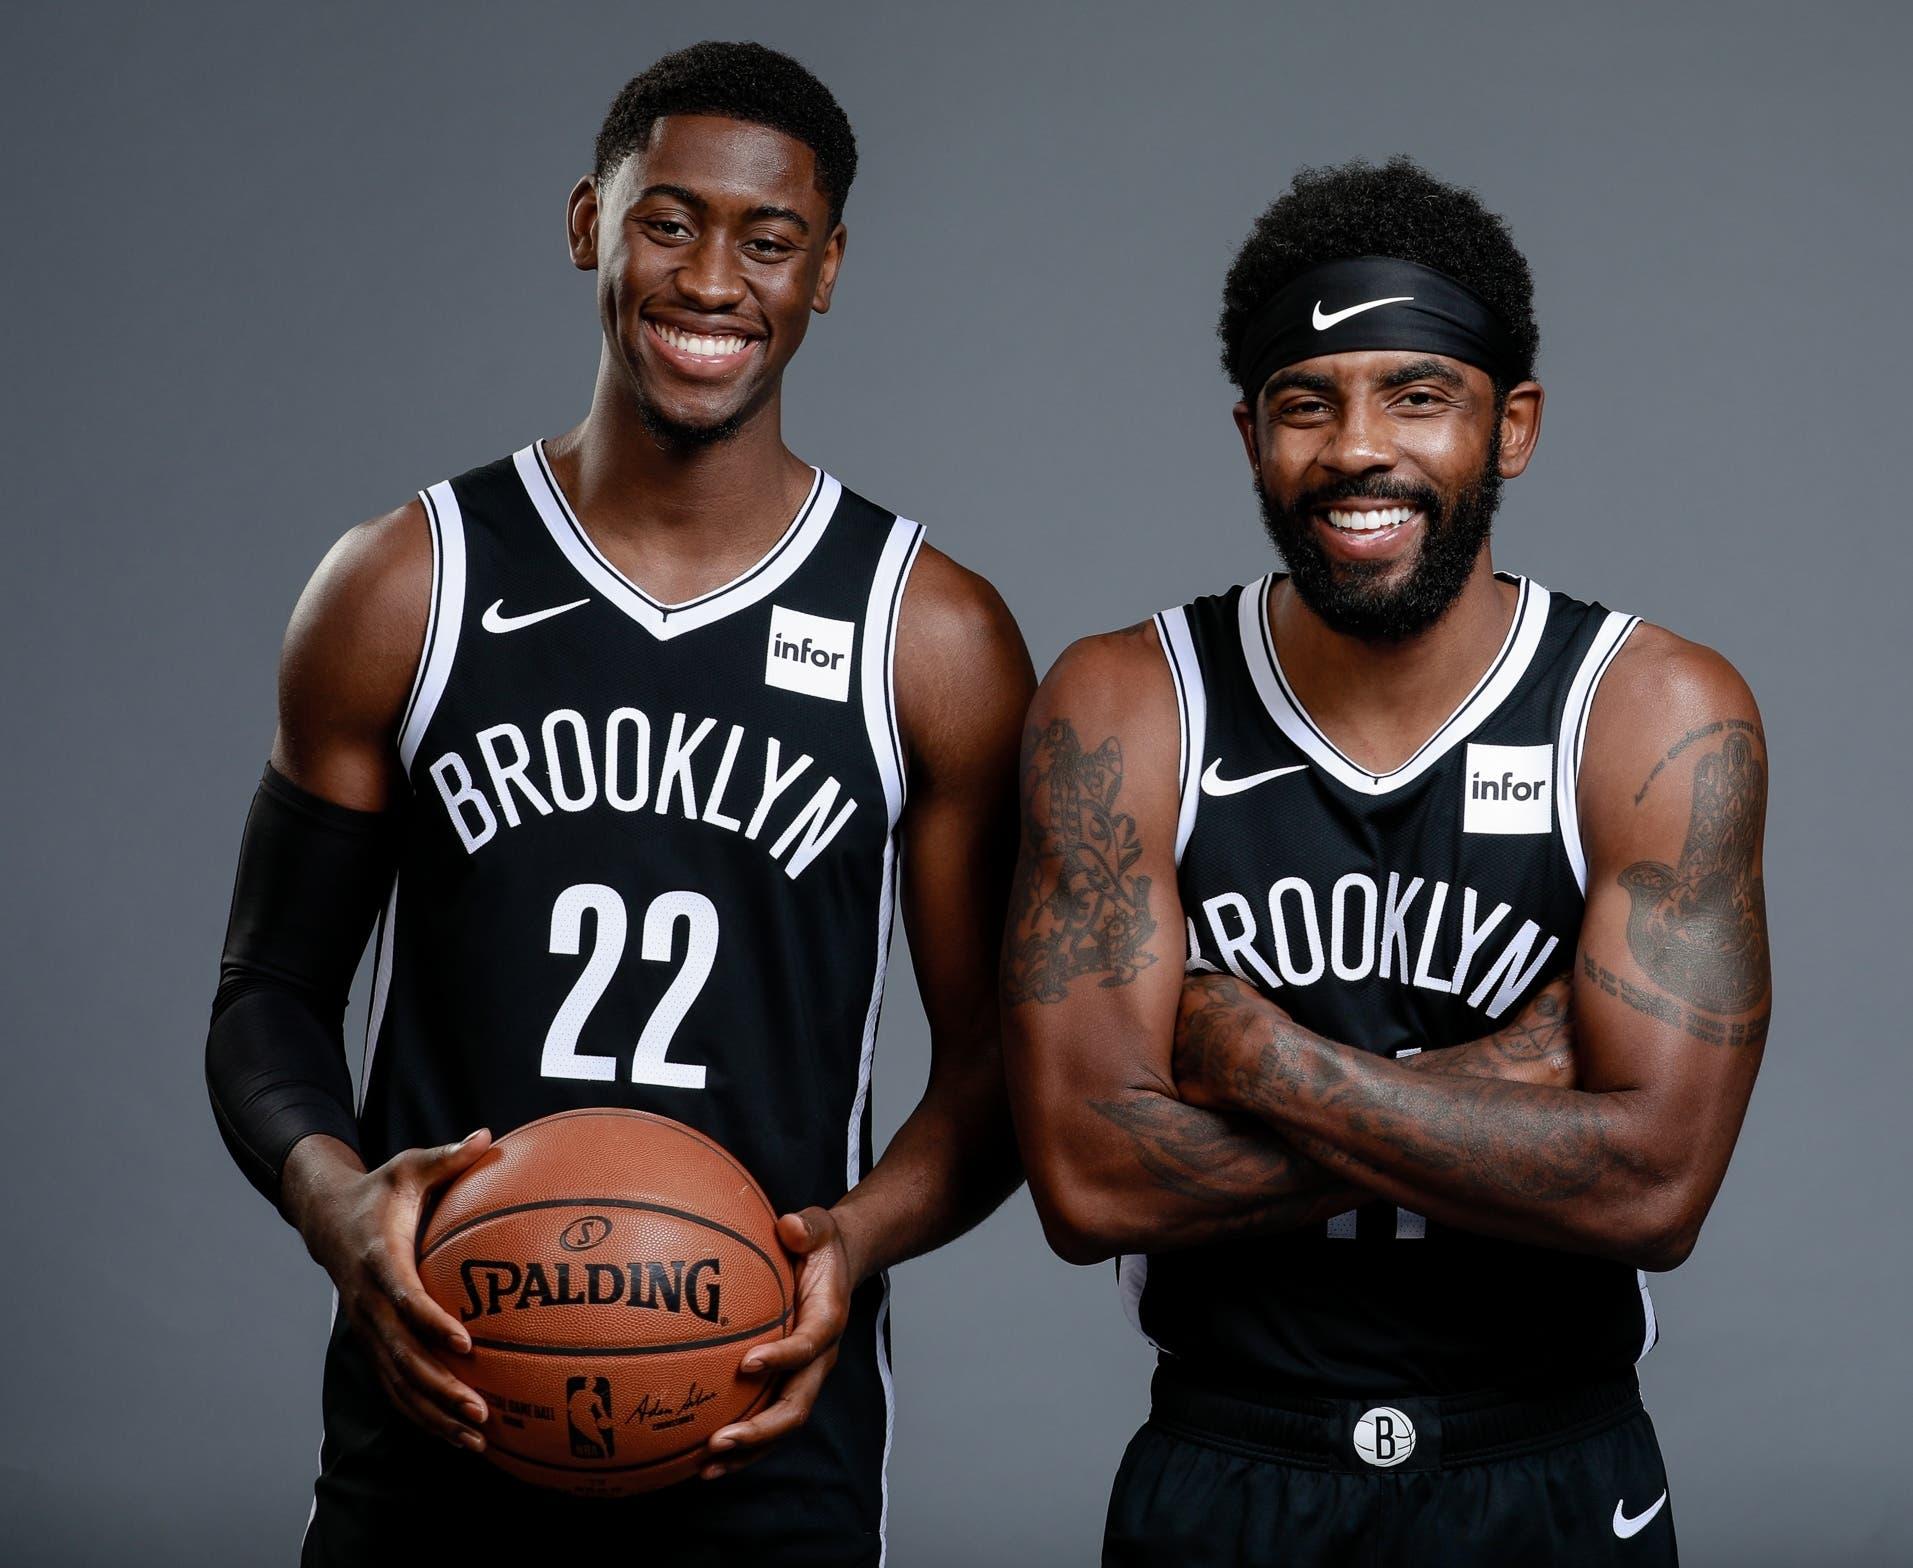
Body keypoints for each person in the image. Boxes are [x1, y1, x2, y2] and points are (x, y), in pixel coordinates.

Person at [205, 41, 1031, 1566]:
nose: (713, 279)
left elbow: (995, 1077)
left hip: (762, 1412)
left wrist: (854, 1242)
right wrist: (337, 1206)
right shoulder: (406, 585)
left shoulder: (928, 634)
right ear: (589, 221)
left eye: (767, 240)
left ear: (825, 270)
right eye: (670, 220)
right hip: (439, 1393)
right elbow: (264, 999)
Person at [1002, 157, 1768, 1566]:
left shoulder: (1650, 713)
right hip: (1232, 1455)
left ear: (1512, 424)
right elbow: (1090, 1183)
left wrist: (1256, 1059)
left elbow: (1653, 1191)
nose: (1358, 447)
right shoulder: (1122, 706)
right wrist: (1499, 1088)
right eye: (1308, 402)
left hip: (1545, 1460)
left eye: (1416, 393)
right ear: (1249, 434)